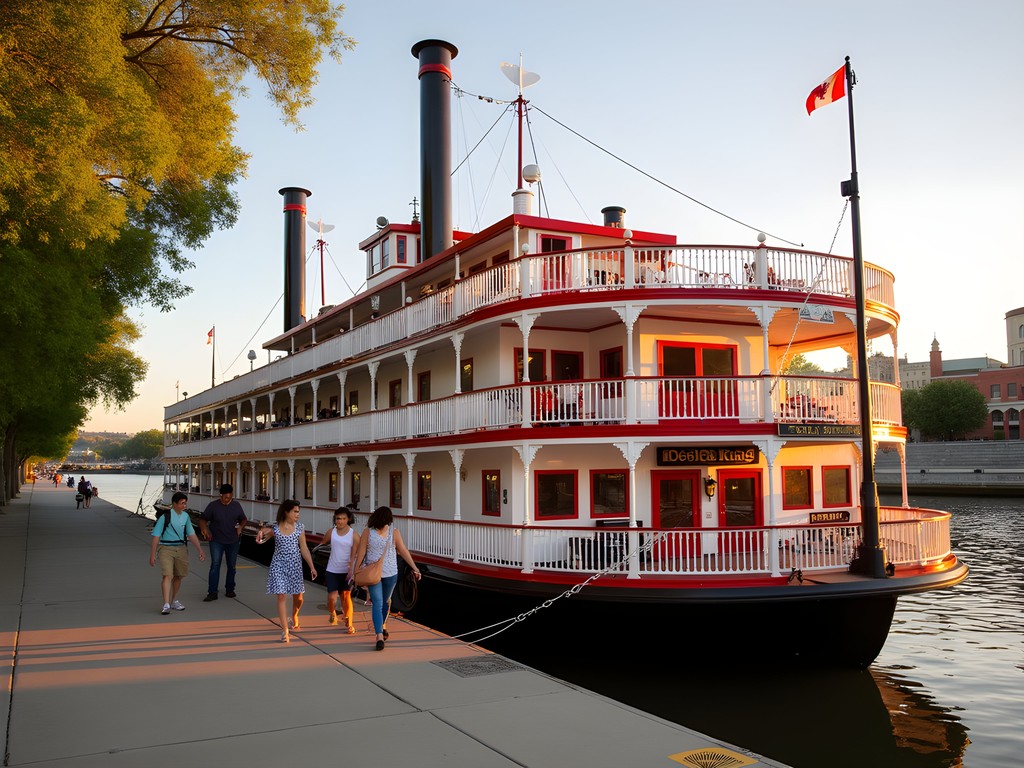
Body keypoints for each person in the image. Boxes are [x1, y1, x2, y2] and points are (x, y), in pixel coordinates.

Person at [350, 506, 421, 651]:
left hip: (374, 574)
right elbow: (403, 551)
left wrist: (356, 571)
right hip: (390, 573)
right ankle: (380, 634)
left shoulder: (368, 532)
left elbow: (361, 553)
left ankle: (380, 630)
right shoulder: (393, 532)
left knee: (379, 603)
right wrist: (415, 568)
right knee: (382, 602)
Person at [256, 500, 317, 643]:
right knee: (281, 596)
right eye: (295, 511)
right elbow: (264, 534)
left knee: (299, 597)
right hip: (278, 565)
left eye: (298, 512)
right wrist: (260, 534)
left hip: (295, 566)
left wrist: (312, 567)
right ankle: (285, 630)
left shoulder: (300, 528)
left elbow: (304, 548)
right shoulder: (276, 528)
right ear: (286, 512)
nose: (297, 514)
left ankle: (295, 614)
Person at [149, 491, 206, 614]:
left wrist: (200, 549)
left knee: (179, 576)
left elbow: (191, 534)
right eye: (182, 503)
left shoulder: (186, 517)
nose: (184, 506)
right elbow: (156, 536)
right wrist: (152, 555)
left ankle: (173, 600)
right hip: (166, 548)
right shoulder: (165, 517)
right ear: (174, 504)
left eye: (185, 503)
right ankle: (166, 604)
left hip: (181, 548)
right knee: (167, 575)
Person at [199, 483, 248, 601]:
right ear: (220, 495)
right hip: (216, 540)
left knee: (231, 566)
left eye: (230, 497)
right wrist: (204, 529)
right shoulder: (213, 506)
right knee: (215, 565)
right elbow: (203, 519)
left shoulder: (236, 505)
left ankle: (230, 589)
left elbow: (243, 519)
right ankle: (212, 592)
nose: (227, 500)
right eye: (225, 497)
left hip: (233, 540)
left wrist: (240, 527)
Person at [322, 507, 360, 633]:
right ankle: (332, 612)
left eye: (344, 519)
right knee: (332, 598)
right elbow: (322, 543)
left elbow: (355, 554)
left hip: (346, 570)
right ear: (335, 519)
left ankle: (349, 623)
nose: (341, 521)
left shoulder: (354, 535)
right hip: (332, 569)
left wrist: (352, 569)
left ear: (348, 519)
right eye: (338, 518)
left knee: (346, 596)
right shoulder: (331, 532)